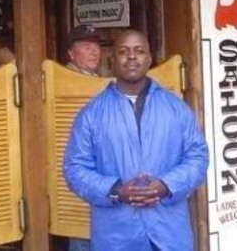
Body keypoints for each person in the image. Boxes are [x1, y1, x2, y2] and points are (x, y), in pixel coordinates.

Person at [63, 30, 209, 251]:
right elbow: (74, 168)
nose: (131, 57)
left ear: (149, 59)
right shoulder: (92, 114)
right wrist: (115, 190)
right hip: (116, 236)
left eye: (139, 51)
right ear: (112, 60)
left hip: (168, 233)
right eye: (123, 51)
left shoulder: (175, 108)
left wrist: (167, 186)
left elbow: (197, 157)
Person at [64, 24, 102, 251]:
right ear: (71, 54)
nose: (94, 51)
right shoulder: (65, 84)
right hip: (78, 178)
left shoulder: (96, 80)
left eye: (96, 46)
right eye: (86, 46)